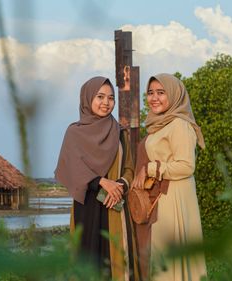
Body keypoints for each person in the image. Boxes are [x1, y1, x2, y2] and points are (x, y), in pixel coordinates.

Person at [55, 76, 140, 281]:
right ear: (87, 98)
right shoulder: (74, 133)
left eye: (111, 98)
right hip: (87, 206)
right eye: (100, 97)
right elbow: (71, 168)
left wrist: (119, 186)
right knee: (87, 262)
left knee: (117, 263)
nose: (106, 102)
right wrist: (103, 182)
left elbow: (129, 168)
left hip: (114, 205)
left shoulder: (120, 133)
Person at [131, 73, 207, 281]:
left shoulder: (179, 125)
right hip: (162, 197)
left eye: (161, 93)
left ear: (174, 95)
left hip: (173, 199)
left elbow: (186, 166)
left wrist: (150, 169)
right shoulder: (160, 125)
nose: (154, 98)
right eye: (150, 93)